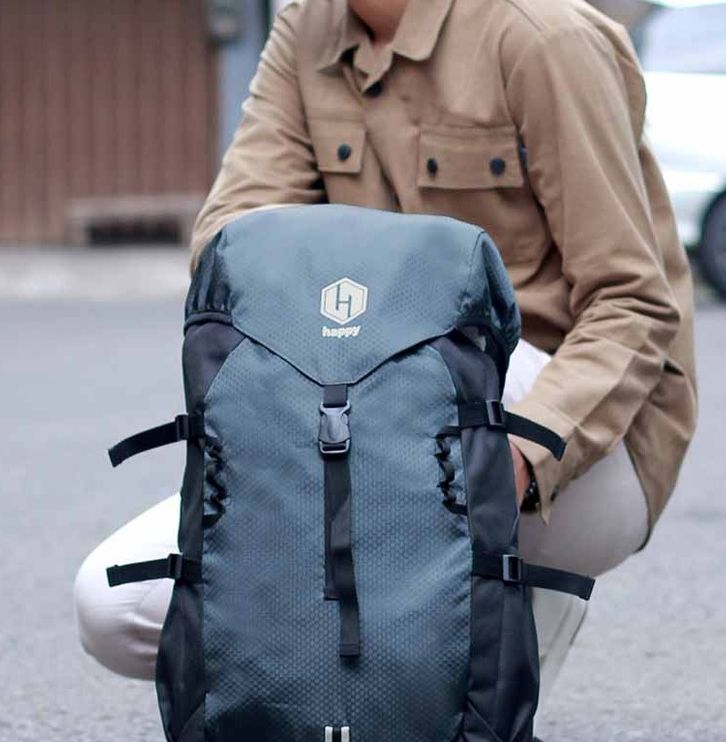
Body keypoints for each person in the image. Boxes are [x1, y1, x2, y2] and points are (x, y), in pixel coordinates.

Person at [74, 0, 696, 702]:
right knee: (115, 606)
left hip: (563, 438)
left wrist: (516, 462)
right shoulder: (307, 28)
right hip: (362, 407)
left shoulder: (543, 37)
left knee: (444, 381)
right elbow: (227, 251)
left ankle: (492, 623)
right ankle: (376, 688)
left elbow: (632, 304)